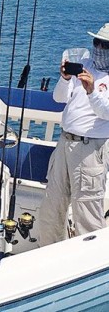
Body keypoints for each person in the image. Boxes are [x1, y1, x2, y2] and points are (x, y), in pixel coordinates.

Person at [38, 23, 109, 246]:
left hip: (91, 149)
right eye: (96, 42)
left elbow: (106, 112)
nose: (98, 47)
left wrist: (91, 91)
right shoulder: (84, 65)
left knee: (86, 212)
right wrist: (65, 79)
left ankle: (91, 265)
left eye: (104, 44)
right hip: (65, 143)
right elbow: (60, 99)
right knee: (52, 205)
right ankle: (49, 254)